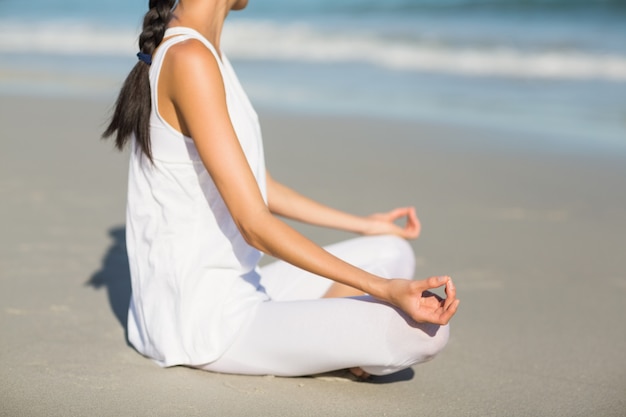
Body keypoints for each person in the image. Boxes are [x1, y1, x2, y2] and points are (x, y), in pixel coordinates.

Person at [103, 0, 459, 380]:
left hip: (244, 287)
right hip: (205, 322)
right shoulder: (189, 58)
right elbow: (254, 223)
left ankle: (328, 339)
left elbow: (262, 187)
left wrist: (364, 225)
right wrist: (383, 288)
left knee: (392, 248)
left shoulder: (205, 50)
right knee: (423, 334)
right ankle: (335, 343)